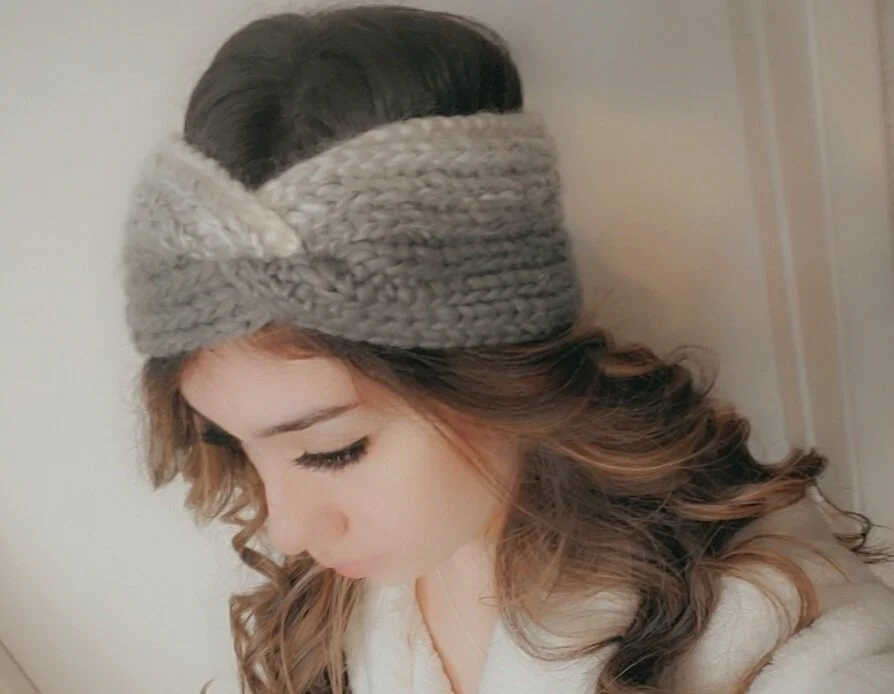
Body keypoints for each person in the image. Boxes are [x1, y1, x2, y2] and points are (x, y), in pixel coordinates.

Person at [119, 5, 894, 694]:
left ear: (495, 371)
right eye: (234, 443)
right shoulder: (334, 607)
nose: (286, 532)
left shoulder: (767, 615)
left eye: (332, 450)